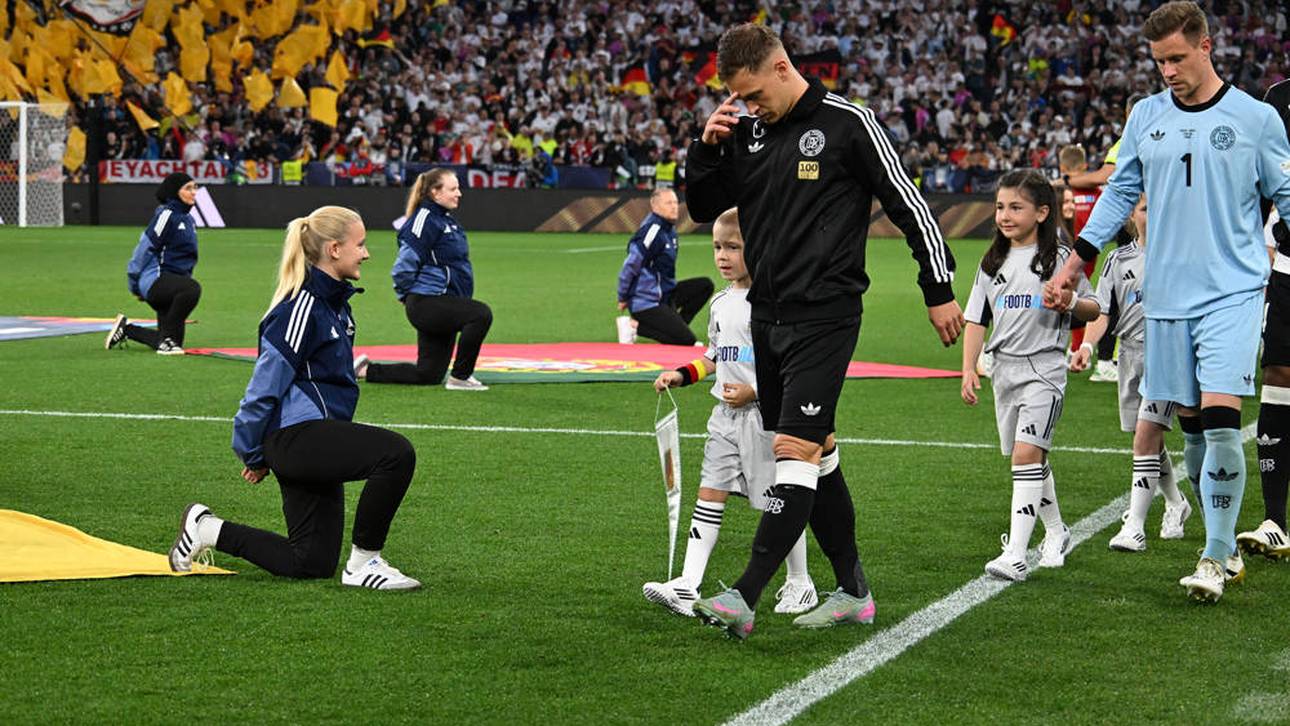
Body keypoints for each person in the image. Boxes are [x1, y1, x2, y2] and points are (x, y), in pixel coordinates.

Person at [684, 23, 963, 639]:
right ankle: (854, 592)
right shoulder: (749, 132)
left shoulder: (847, 124)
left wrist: (938, 290)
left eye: (755, 94)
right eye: (740, 99)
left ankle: (744, 594)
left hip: (827, 316)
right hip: (768, 316)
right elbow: (705, 206)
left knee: (793, 452)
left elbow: (909, 204)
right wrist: (705, 149)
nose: (750, 108)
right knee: (821, 452)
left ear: (782, 67)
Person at [1044, 1, 1290, 603]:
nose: (1168, 71)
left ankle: (1212, 559)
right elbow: (1118, 193)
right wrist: (1075, 265)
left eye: (1177, 58)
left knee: (1223, 416)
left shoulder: (1255, 119)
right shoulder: (1145, 116)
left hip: (1232, 294)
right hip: (1165, 299)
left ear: (1206, 46)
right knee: (1195, 429)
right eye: (1159, 61)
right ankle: (1227, 543)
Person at [167, 206, 420, 590]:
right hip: (297, 437)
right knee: (396, 454)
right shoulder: (301, 309)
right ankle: (365, 563)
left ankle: (207, 529)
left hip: (312, 438)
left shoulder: (337, 308)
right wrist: (252, 451)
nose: (366, 253)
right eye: (361, 244)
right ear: (334, 249)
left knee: (310, 562)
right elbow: (262, 389)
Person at [642, 208, 818, 617]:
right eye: (717, 247)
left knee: (779, 500)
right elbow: (712, 356)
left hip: (766, 418)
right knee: (710, 491)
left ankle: (800, 582)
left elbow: (791, 364)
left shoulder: (771, 304)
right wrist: (682, 375)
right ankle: (688, 585)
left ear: (757, 248)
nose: (722, 256)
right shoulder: (720, 303)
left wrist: (756, 391)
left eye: (733, 247)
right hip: (723, 417)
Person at [961, 170, 1098, 581]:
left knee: (1025, 456)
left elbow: (1093, 308)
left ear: (1042, 212)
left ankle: (1016, 554)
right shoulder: (992, 262)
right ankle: (1056, 531)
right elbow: (975, 319)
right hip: (1004, 370)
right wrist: (969, 368)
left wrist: (1070, 300)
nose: (1004, 215)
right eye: (1000, 206)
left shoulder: (1059, 258)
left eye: (1015, 207)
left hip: (1044, 367)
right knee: (1031, 459)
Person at [1070, 195, 1193, 550]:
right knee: (1148, 436)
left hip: (1167, 355)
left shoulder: (1182, 254)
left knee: (1145, 434)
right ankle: (1175, 502)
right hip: (1130, 356)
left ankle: (1135, 525)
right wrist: (1088, 346)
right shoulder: (1117, 259)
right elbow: (1103, 312)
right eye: (1144, 208)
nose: (1151, 214)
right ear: (1131, 217)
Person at [362, 169, 494, 391]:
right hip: (429, 302)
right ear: (435, 192)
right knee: (480, 314)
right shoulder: (424, 219)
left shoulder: (445, 220)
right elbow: (403, 264)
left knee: (428, 373)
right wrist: (404, 294)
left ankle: (365, 370)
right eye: (453, 189)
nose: (459, 193)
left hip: (443, 303)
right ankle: (461, 377)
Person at [1237, 76, 1290, 560]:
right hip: (1288, 267)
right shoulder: (1278, 98)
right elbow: (1264, 183)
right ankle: (1275, 519)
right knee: (1277, 374)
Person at [105, 173, 203, 355]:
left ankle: (127, 329)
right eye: (188, 188)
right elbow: (144, 247)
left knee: (174, 342)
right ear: (175, 192)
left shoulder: (188, 220)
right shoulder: (167, 215)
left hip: (172, 286)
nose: (193, 192)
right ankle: (166, 339)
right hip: (156, 279)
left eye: (195, 187)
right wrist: (134, 283)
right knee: (192, 290)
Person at [615, 188, 714, 346]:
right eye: (669, 203)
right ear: (655, 206)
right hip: (647, 302)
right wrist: (623, 297)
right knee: (688, 341)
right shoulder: (652, 232)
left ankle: (676, 329)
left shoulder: (669, 231)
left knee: (705, 285)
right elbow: (630, 266)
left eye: (675, 202)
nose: (674, 206)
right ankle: (634, 327)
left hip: (666, 295)